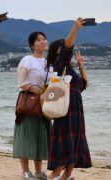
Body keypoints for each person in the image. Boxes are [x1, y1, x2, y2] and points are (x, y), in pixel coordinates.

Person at [46, 18, 92, 180]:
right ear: (57, 51)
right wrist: (75, 28)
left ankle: (66, 177)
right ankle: (56, 177)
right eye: (62, 46)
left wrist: (81, 65)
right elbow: (67, 48)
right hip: (65, 112)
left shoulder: (69, 70)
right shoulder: (58, 66)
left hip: (76, 113)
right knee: (60, 163)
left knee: (74, 151)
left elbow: (84, 85)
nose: (66, 48)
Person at [13, 32, 50, 179]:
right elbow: (21, 83)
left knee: (39, 136)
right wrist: (37, 89)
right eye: (38, 40)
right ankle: (25, 171)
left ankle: (39, 171)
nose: (42, 42)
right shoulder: (27, 60)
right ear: (32, 45)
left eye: (44, 39)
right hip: (28, 103)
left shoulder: (47, 62)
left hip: (43, 103)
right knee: (26, 136)